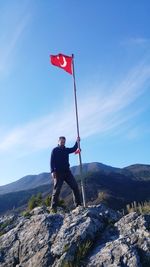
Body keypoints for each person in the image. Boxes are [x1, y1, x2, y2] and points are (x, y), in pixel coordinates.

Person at [50, 136, 81, 212]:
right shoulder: (55, 150)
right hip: (58, 173)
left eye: (64, 142)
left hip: (67, 172)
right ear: (58, 141)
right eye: (61, 142)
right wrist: (52, 171)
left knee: (75, 187)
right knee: (56, 191)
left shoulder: (66, 150)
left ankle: (78, 206)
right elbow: (51, 161)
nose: (63, 143)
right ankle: (53, 208)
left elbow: (74, 149)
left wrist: (77, 142)